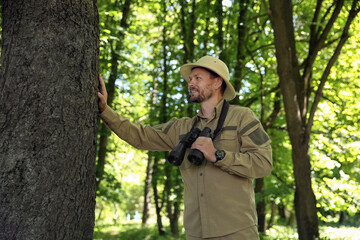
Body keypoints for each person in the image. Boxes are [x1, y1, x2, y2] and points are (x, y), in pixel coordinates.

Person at [97, 56, 272, 239]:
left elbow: (264, 163)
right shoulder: (182, 127)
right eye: (190, 79)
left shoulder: (243, 117)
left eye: (198, 78)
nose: (191, 83)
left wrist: (218, 155)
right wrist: (105, 111)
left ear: (217, 82)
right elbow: (141, 136)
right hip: (195, 233)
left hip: (236, 232)